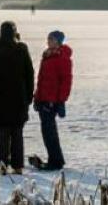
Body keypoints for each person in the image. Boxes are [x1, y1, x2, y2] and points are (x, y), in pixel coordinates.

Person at [0, 20, 35, 173]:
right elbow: (29, 74)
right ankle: (17, 166)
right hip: (19, 98)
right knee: (17, 133)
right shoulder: (21, 50)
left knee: (2, 133)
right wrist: (29, 95)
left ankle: (1, 165)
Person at [29, 30, 73, 172]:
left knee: (49, 131)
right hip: (43, 98)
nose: (48, 41)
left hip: (52, 100)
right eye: (48, 38)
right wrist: (37, 97)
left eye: (51, 39)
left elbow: (66, 81)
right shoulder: (48, 56)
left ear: (58, 42)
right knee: (47, 131)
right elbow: (41, 80)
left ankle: (55, 160)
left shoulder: (62, 58)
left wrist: (61, 101)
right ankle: (55, 158)